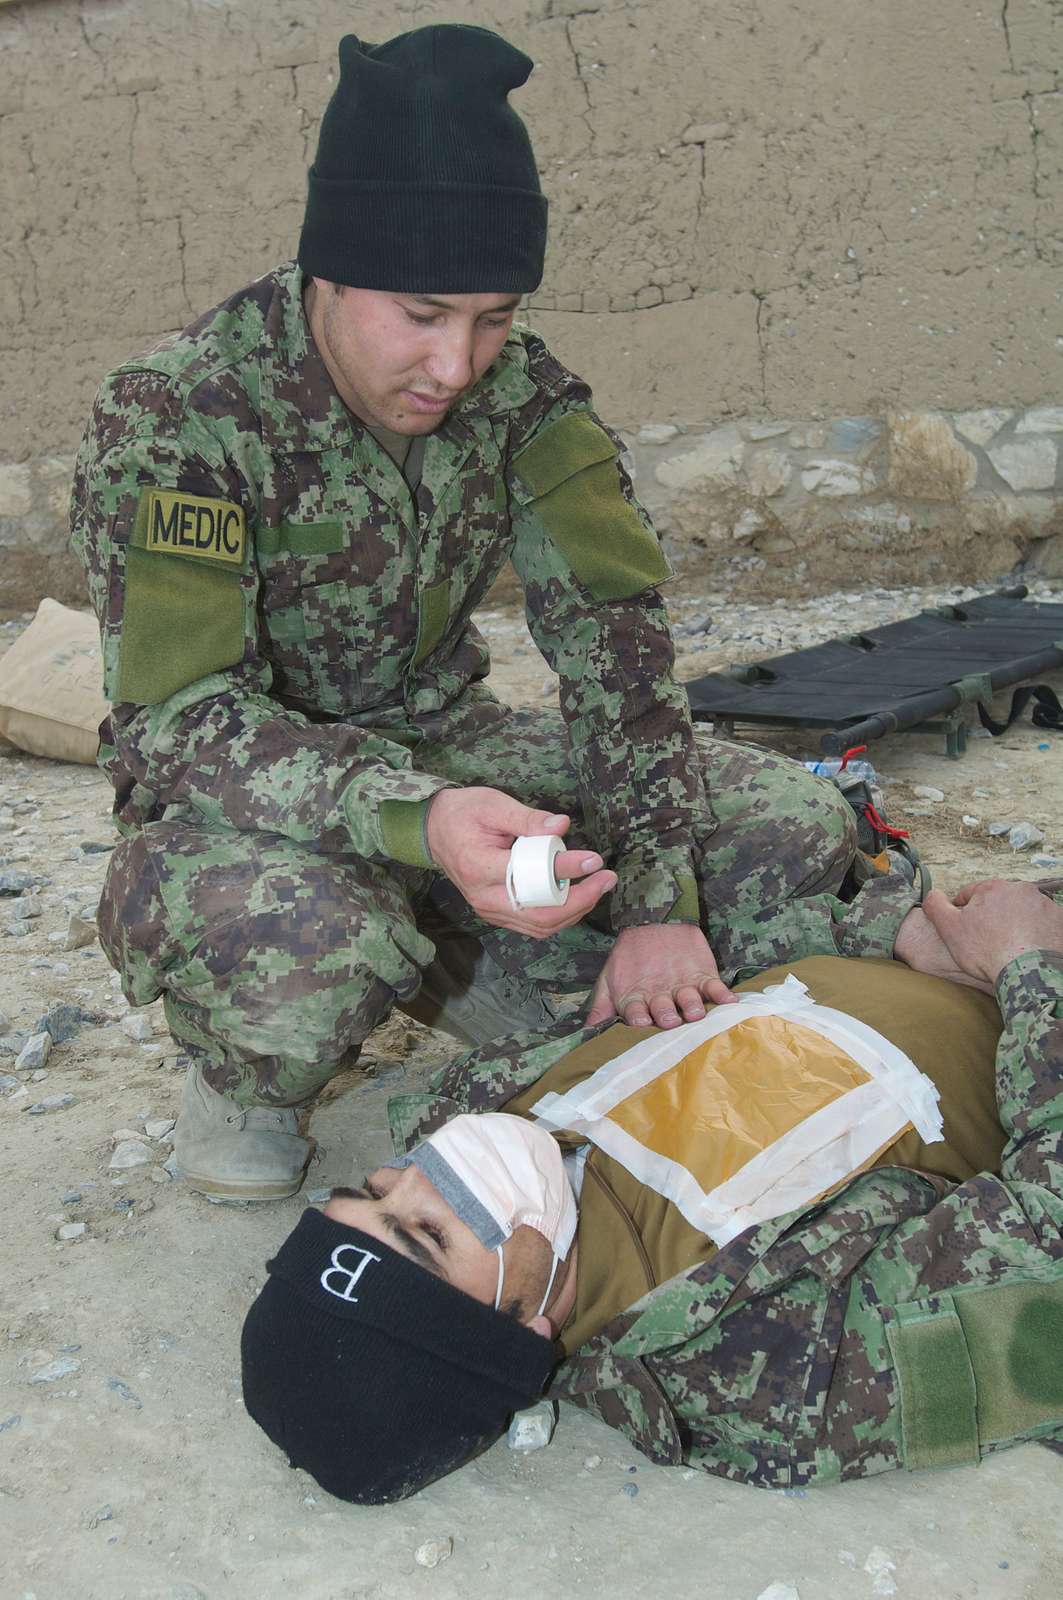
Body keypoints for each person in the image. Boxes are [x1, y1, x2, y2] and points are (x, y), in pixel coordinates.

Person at [70, 22, 858, 1204]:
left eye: (493, 318)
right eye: (424, 315)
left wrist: (655, 900)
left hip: (451, 741)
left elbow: (617, 647)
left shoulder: (525, 398)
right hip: (252, 795)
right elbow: (176, 719)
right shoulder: (180, 417)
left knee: (791, 825)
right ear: (327, 275)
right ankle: (252, 1075)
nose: (459, 365)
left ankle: (461, 957)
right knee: (300, 948)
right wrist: (415, 818)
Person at [241, 878, 1063, 1503]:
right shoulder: (771, 1364)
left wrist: (898, 933)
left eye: (370, 1189)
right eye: (425, 1231)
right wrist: (1027, 969)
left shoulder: (499, 1118)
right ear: (522, 1328)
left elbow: (736, 987)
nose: (417, 1171)